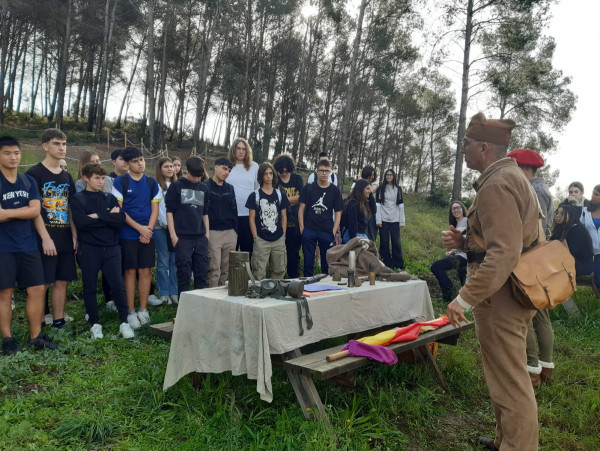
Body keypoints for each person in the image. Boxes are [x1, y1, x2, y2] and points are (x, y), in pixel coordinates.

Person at [443, 112, 540, 450]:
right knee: (502, 378)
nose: (462, 150)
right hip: (508, 293)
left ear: (483, 147)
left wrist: (463, 298)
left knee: (512, 385)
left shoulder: (497, 184)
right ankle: (505, 440)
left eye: (466, 144)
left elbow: (505, 253)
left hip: (502, 298)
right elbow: (506, 240)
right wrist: (466, 243)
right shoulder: (506, 176)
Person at [0, 136, 57, 354]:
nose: (13, 157)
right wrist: (23, 212)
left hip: (28, 245)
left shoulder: (27, 181)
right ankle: (8, 340)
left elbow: (35, 211)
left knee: (36, 290)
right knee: (5, 294)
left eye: (16, 153)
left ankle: (36, 337)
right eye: (7, 153)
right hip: (3, 247)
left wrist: (7, 213)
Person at [507, 148, 556, 388]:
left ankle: (531, 371)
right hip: (540, 258)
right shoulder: (544, 189)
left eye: (515, 167)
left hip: (527, 259)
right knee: (541, 315)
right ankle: (546, 368)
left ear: (525, 168)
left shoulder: (531, 189)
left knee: (524, 316)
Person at [71, 163, 134, 339]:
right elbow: (82, 224)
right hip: (89, 249)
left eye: (102, 178)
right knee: (89, 286)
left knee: (118, 285)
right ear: (86, 178)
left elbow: (120, 220)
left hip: (112, 248)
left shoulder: (109, 198)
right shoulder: (78, 199)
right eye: (97, 178)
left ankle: (124, 322)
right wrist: (108, 217)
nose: (100, 181)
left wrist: (98, 216)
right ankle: (94, 323)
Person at [26, 128, 78, 330]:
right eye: (56, 143)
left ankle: (58, 322)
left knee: (62, 280)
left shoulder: (66, 177)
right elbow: (34, 210)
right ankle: (38, 325)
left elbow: (70, 207)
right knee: (43, 283)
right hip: (44, 237)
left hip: (64, 234)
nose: (61, 148)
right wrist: (45, 238)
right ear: (45, 146)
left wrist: (74, 235)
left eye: (64, 144)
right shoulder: (34, 173)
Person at [111, 147, 161, 329]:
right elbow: (120, 211)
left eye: (142, 160)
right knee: (130, 272)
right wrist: (139, 228)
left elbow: (155, 209)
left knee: (146, 271)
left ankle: (143, 309)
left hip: (147, 233)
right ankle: (130, 311)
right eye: (136, 161)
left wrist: (148, 230)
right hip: (128, 234)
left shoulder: (151, 182)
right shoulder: (120, 181)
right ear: (127, 164)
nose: (140, 163)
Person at [165, 157, 210, 296]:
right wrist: (173, 236)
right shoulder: (176, 186)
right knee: (184, 275)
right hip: (182, 238)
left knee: (201, 275)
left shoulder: (204, 188)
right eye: (194, 175)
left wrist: (207, 234)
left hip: (200, 237)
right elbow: (169, 212)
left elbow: (205, 213)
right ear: (186, 170)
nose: (197, 178)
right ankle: (183, 309)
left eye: (199, 176)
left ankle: (201, 308)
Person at [298, 159, 343, 277]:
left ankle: (324, 287)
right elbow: (301, 209)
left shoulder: (335, 191)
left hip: (326, 231)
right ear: (316, 172)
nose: (324, 173)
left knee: (326, 263)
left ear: (330, 173)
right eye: (321, 170)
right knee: (308, 263)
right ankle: (307, 286)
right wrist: (302, 227)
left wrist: (333, 231)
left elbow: (338, 212)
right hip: (309, 229)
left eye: (327, 171)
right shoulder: (308, 188)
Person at [246, 162, 289, 280]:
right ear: (261, 176)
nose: (269, 176)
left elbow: (284, 216)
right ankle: (260, 296)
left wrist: (283, 234)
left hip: (278, 239)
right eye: (266, 174)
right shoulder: (254, 196)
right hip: (261, 240)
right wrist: (256, 237)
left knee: (279, 270)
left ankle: (276, 294)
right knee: (259, 272)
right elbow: (251, 218)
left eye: (271, 173)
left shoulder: (280, 195)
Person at [206, 157, 238, 287]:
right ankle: (212, 300)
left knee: (227, 270)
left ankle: (223, 301)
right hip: (213, 232)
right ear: (216, 167)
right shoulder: (205, 186)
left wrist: (235, 232)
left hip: (230, 232)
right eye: (224, 169)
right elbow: (203, 211)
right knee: (214, 269)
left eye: (229, 170)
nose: (226, 172)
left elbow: (234, 210)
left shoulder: (230, 188)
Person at [507, 148, 553, 236]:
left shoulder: (537, 191)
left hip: (533, 247)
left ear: (527, 168)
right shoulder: (530, 188)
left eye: (515, 168)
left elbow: (538, 228)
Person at [273, 153, 304, 278]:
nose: (284, 174)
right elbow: (273, 198)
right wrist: (293, 199)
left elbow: (302, 197)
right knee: (278, 254)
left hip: (295, 223)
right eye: (281, 172)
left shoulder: (297, 178)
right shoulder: (275, 179)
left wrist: (284, 200)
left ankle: (294, 279)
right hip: (278, 222)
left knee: (293, 254)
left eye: (286, 172)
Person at [153, 157, 178, 305]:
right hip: (160, 227)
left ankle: (174, 291)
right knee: (163, 261)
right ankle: (163, 292)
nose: (170, 169)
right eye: (166, 167)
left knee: (174, 261)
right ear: (159, 169)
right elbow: (160, 208)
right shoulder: (156, 185)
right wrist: (167, 224)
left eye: (171, 166)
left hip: (175, 229)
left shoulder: (177, 185)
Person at [227, 138, 259, 255]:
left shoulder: (254, 166)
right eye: (238, 148)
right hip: (230, 216)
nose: (241, 151)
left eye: (244, 149)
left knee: (247, 251)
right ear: (233, 150)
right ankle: (230, 274)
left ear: (247, 151)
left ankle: (247, 274)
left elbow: (257, 189)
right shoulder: (227, 166)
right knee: (231, 251)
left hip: (248, 216)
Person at [431, 201, 468, 302]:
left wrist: (460, 230)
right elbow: (457, 241)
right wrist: (451, 251)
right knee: (463, 278)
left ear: (462, 208)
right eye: (453, 209)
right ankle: (453, 295)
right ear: (451, 212)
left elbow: (465, 233)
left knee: (436, 266)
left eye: (458, 207)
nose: (456, 210)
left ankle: (448, 291)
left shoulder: (467, 220)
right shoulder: (456, 224)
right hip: (459, 256)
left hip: (465, 257)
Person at [551, 204, 593, 276]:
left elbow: (570, 253)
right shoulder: (562, 228)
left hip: (582, 265)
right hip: (569, 261)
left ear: (571, 215)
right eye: (557, 213)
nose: (558, 215)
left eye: (562, 214)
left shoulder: (578, 230)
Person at [375, 168, 406, 269]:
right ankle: (386, 263)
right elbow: (378, 205)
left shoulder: (398, 189)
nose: (389, 176)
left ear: (394, 176)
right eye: (387, 175)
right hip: (383, 219)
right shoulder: (380, 189)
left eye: (391, 175)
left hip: (395, 219)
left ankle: (398, 264)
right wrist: (378, 220)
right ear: (385, 176)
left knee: (396, 242)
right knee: (384, 241)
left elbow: (401, 205)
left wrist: (402, 221)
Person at [580, 184, 600, 288]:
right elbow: (579, 229)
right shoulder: (585, 211)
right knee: (596, 278)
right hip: (589, 251)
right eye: (592, 193)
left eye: (596, 194)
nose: (592, 196)